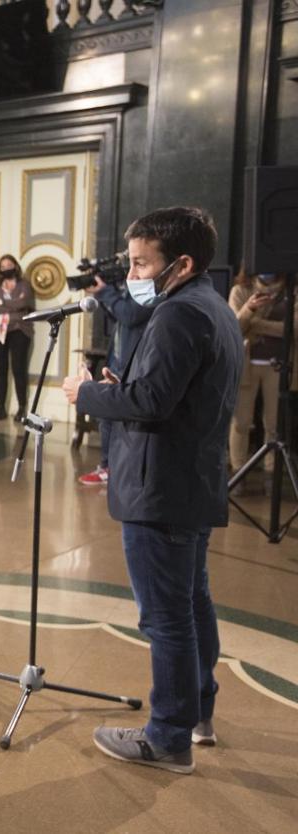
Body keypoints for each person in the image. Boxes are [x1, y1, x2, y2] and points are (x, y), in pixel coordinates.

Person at [63, 206, 241, 775]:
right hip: (190, 481)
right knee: (192, 604)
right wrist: (126, 386)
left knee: (165, 617)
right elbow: (171, 392)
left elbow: (150, 404)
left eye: (142, 262)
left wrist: (84, 394)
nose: (132, 273)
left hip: (161, 486)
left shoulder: (178, 315)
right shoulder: (212, 305)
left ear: (182, 263)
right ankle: (197, 713)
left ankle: (167, 737)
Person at [78, 266, 156, 486]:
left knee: (118, 419)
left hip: (132, 365)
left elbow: (130, 315)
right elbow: (119, 316)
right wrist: (104, 295)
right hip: (116, 362)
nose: (131, 273)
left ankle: (113, 467)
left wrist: (104, 292)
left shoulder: (149, 293)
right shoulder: (128, 290)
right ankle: (107, 466)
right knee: (107, 418)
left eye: (138, 264)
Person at [227, 269, 293, 483]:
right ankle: (238, 471)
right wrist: (249, 309)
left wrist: (255, 324)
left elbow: (293, 328)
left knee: (273, 423)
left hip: (277, 365)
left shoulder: (290, 291)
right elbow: (234, 326)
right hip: (247, 365)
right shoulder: (240, 290)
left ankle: (270, 473)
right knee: (241, 422)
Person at [0, 255, 35, 422]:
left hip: (19, 330)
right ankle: (0, 408)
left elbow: (25, 303)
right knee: (1, 370)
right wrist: (14, 303)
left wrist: (3, 304)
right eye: (3, 265)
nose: (6, 268)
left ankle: (22, 408)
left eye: (9, 264)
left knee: (19, 369)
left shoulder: (24, 285)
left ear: (15, 266)